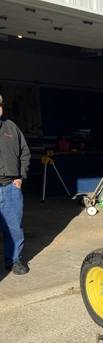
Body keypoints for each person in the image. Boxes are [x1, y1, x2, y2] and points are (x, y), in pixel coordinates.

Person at [0, 94, 31, 275]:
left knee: (13, 227)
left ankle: (13, 261)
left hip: (10, 188)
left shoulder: (11, 128)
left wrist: (20, 178)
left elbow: (24, 154)